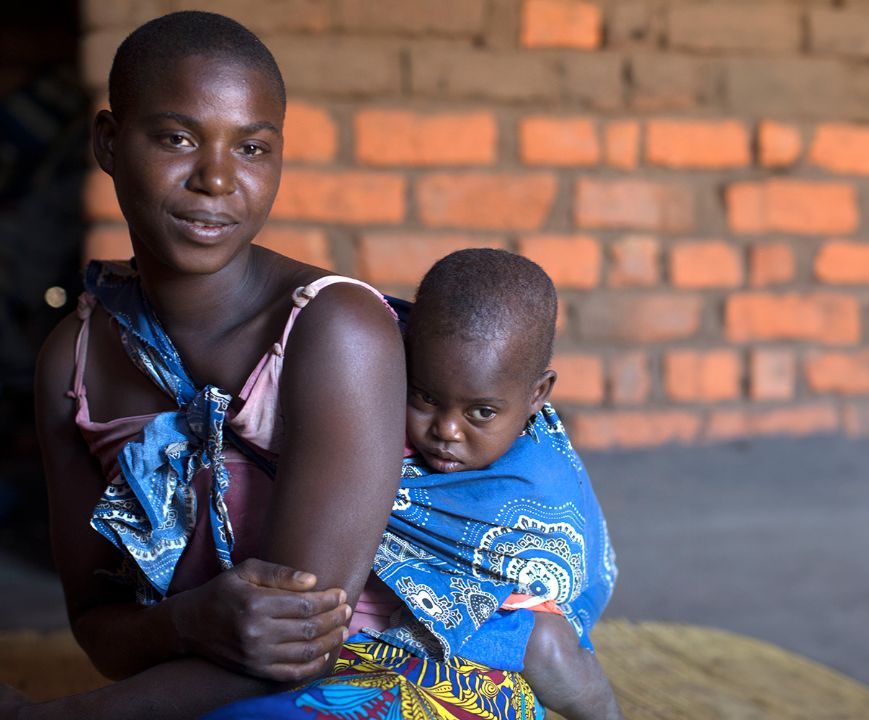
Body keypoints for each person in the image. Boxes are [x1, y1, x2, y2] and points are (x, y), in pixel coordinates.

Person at [3, 11, 540, 720]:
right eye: (177, 138)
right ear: (108, 142)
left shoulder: (333, 330)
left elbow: (301, 645)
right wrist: (186, 621)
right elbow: (100, 630)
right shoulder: (71, 365)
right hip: (199, 683)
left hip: (398, 678)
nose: (217, 179)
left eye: (252, 148)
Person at [212, 249, 622, 719]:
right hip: (366, 635)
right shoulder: (364, 402)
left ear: (537, 395)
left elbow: (565, 574)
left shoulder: (539, 477)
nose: (446, 430)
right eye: (426, 397)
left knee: (545, 644)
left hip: (494, 630)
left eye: (481, 412)